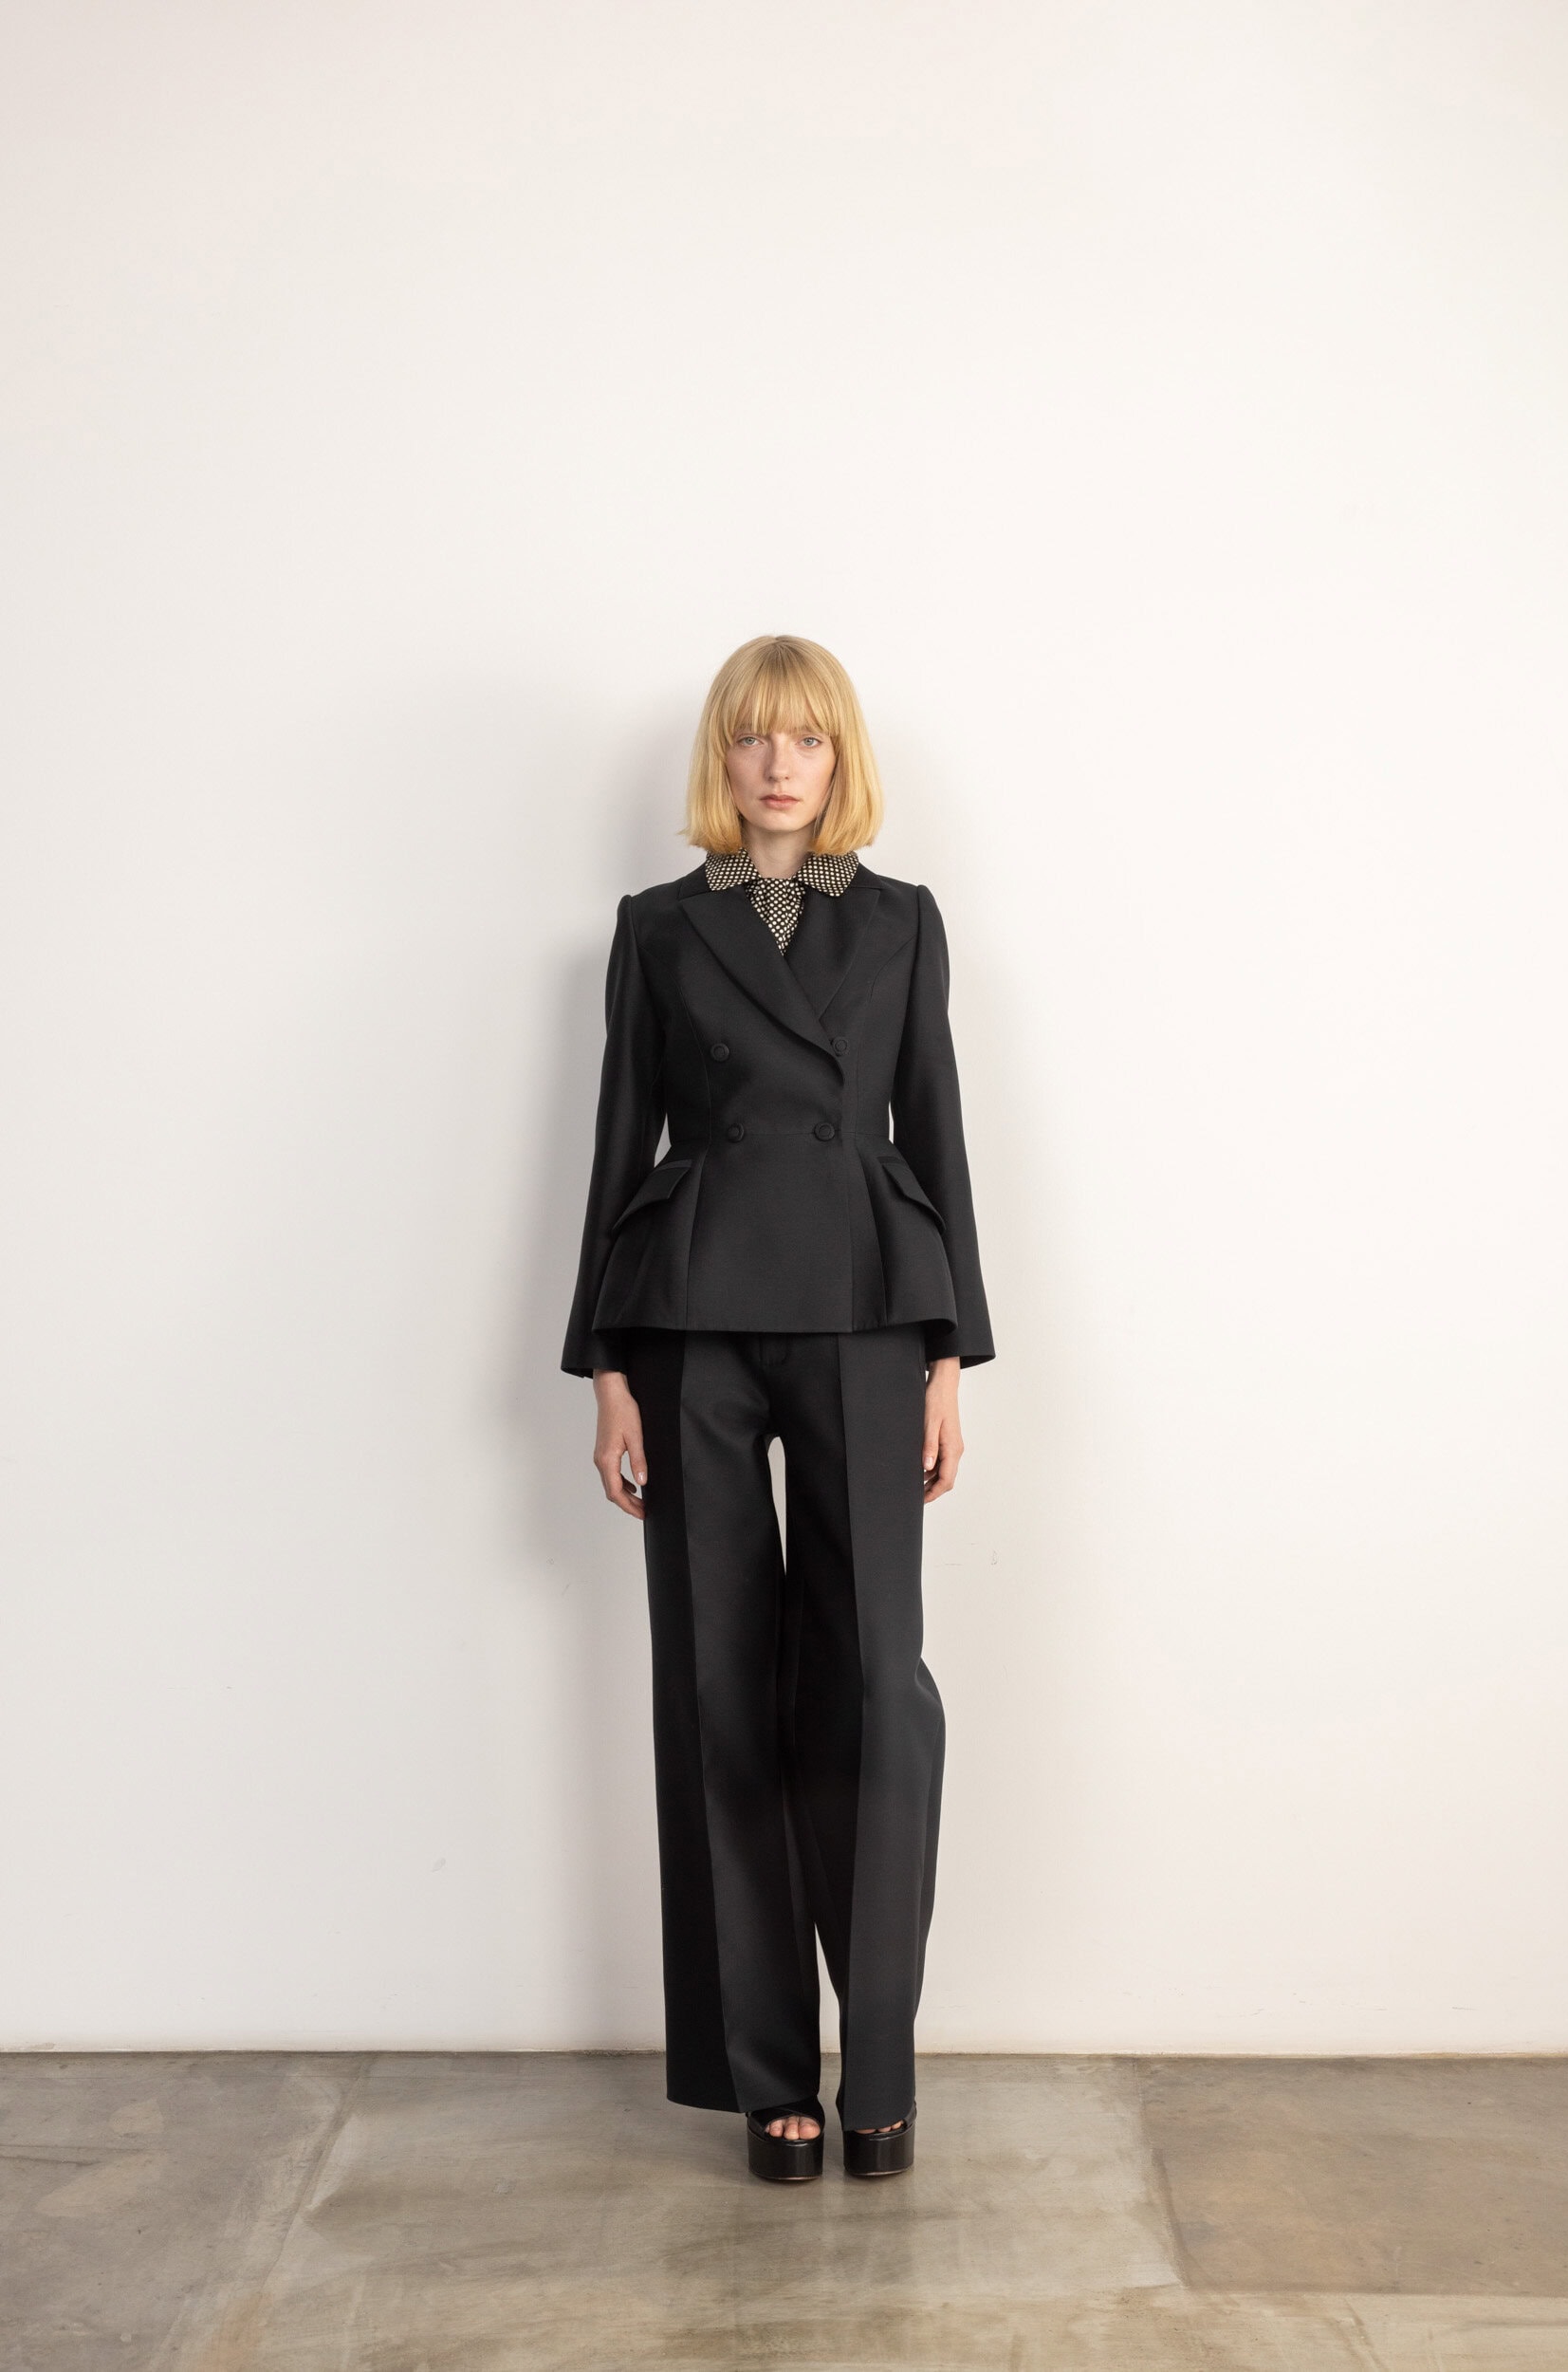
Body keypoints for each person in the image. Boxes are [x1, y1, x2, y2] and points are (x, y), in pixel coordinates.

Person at [562, 633, 993, 2182]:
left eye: (806, 738)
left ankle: (877, 2062)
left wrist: (950, 1356)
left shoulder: (902, 920)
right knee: (718, 1684)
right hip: (692, 1321)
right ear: (723, 759)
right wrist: (607, 1365)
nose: (778, 765)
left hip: (869, 1311)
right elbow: (619, 1143)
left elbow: (933, 1130)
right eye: (752, 737)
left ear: (839, 758)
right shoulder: (658, 928)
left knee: (877, 1682)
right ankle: (764, 2070)